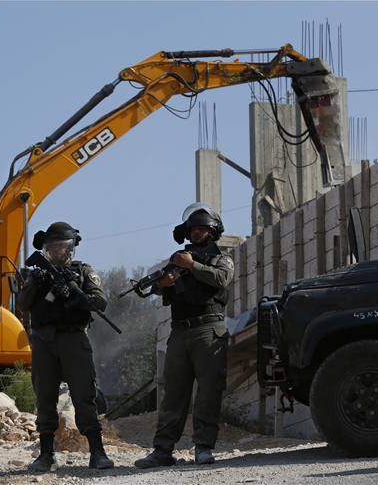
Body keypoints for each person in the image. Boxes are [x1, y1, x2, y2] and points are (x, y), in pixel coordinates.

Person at [134, 202, 234, 468]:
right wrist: (163, 283)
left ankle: (203, 447)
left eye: (202, 229)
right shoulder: (177, 259)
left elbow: (221, 279)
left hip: (208, 330)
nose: (197, 233)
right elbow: (159, 287)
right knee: (174, 395)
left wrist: (192, 266)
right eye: (193, 229)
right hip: (179, 333)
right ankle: (162, 451)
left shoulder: (220, 258)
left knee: (208, 393)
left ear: (211, 232)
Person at [17, 221, 113, 472]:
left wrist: (71, 294)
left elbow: (100, 301)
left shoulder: (82, 272)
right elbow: (23, 304)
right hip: (43, 341)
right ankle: (46, 455)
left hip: (73, 339)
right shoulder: (36, 273)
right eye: (54, 247)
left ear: (71, 249)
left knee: (84, 394)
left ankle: (97, 452)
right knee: (45, 397)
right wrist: (35, 282)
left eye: (62, 247)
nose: (58, 251)